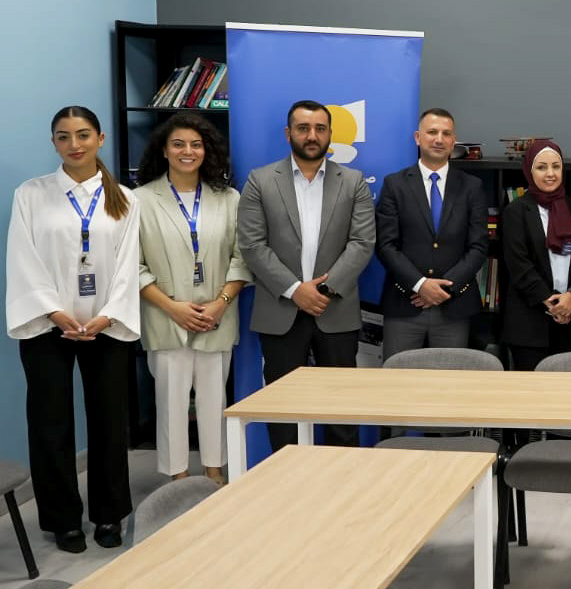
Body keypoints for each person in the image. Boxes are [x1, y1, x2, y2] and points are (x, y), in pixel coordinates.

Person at [6, 107, 140, 552]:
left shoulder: (125, 198)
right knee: (51, 424)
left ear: (100, 138)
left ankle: (108, 514)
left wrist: (108, 314)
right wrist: (53, 311)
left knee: (109, 423)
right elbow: (22, 257)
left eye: (83, 135)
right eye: (63, 137)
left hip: (107, 324)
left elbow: (128, 264)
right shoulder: (32, 194)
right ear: (54, 143)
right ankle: (62, 520)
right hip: (48, 326)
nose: (74, 144)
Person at [237, 99, 375, 450]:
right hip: (280, 310)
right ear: (288, 133)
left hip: (335, 309)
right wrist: (295, 289)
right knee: (283, 409)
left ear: (330, 134)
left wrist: (322, 291)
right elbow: (252, 245)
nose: (312, 136)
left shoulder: (354, 181)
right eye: (303, 128)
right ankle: (286, 477)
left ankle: (343, 475)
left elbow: (362, 242)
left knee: (340, 410)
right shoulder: (260, 180)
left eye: (319, 129)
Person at [134, 112, 251, 486]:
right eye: (178, 144)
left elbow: (242, 257)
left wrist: (220, 303)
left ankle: (215, 473)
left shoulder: (229, 198)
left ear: (207, 150)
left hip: (217, 315)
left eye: (196, 144)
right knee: (170, 402)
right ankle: (178, 479)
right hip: (166, 316)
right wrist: (173, 308)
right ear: (164, 151)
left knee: (215, 400)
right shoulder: (139, 200)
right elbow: (132, 265)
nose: (188, 151)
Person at [374, 108, 489, 357]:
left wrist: (444, 289)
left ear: (453, 141)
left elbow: (479, 246)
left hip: (453, 305)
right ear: (418, 138)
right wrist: (420, 285)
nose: (439, 139)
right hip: (404, 303)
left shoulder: (472, 186)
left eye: (446, 134)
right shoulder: (395, 184)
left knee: (448, 378)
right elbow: (385, 245)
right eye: (432, 132)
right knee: (398, 378)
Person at [498, 139, 571, 370]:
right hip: (528, 324)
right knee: (532, 390)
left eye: (556, 166)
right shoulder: (515, 211)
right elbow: (519, 266)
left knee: (569, 389)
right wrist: (552, 303)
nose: (550, 174)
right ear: (529, 171)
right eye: (542, 167)